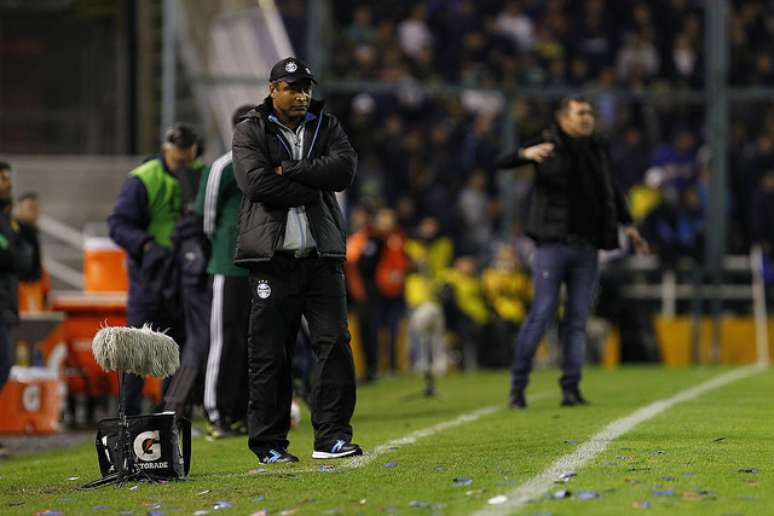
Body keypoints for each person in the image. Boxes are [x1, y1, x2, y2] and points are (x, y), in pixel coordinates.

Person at [232, 57, 361, 464]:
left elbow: (344, 171)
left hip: (322, 258)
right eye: (293, 87)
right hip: (273, 261)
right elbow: (256, 183)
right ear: (273, 89)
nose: (303, 94)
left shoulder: (328, 125)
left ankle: (332, 438)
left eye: (306, 87)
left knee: (335, 345)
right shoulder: (250, 129)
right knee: (271, 354)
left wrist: (291, 169)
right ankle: (269, 444)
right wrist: (310, 187)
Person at [496, 95, 649, 409]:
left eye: (590, 112)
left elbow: (612, 190)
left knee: (578, 319)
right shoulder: (549, 143)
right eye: (581, 112)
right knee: (542, 312)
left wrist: (629, 224)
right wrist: (525, 153)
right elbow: (503, 162)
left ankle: (571, 389)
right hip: (553, 245)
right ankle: (518, 387)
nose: (587, 117)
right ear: (564, 118)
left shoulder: (597, 149)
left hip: (587, 246)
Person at [107, 124, 199, 416]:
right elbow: (118, 225)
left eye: (187, 151)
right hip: (151, 277)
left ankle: (170, 416)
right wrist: (147, 247)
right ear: (165, 149)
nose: (182, 158)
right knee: (138, 349)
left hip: (183, 277)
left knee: (177, 350)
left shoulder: (199, 176)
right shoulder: (143, 179)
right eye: (177, 152)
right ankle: (129, 416)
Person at [195, 104, 254, 439]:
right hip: (228, 267)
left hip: (260, 270)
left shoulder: (265, 166)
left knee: (254, 343)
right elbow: (206, 217)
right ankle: (217, 412)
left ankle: (244, 411)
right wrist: (223, 251)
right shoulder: (224, 166)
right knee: (225, 339)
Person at [0, 162, 33, 458]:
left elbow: (25, 263)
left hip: (6, 304)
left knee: (5, 365)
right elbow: (8, 254)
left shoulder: (7, 218)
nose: (8, 184)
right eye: (3, 179)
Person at [15, 192, 49, 313]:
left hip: (33, 286)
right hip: (23, 287)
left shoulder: (32, 231)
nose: (34, 212)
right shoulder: (18, 230)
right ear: (19, 209)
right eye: (30, 208)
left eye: (36, 208)